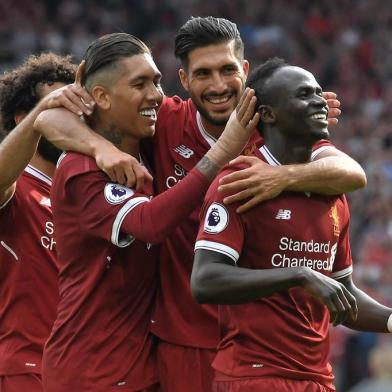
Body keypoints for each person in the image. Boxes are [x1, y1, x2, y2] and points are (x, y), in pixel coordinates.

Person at [33, 17, 366, 391]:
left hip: (259, 353)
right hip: (184, 342)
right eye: (203, 74)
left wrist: (281, 176)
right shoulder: (163, 122)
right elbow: (48, 118)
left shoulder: (271, 125)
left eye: (227, 70)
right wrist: (100, 148)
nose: (219, 85)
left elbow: (350, 171)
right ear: (185, 80)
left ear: (245, 70)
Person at [36, 32, 258, 392]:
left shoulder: (145, 146)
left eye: (156, 80)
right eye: (140, 83)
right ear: (101, 97)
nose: (156, 94)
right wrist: (220, 156)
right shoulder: (83, 169)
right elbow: (150, 223)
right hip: (90, 369)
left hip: (144, 362)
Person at [192, 58, 392, 392]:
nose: (320, 101)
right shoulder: (241, 183)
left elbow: (343, 294)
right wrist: (300, 274)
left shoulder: (332, 193)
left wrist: (389, 318)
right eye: (304, 94)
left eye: (317, 91)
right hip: (254, 375)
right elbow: (205, 280)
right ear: (268, 114)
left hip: (316, 377)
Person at [0, 53, 76, 392]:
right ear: (23, 119)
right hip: (26, 369)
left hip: (82, 369)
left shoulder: (85, 194)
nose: (70, 121)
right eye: (57, 111)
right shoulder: (16, 189)